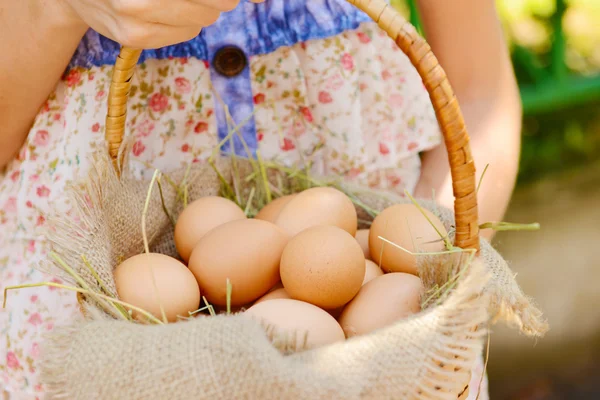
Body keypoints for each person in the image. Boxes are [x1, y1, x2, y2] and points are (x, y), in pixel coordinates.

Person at [0, 0, 521, 398]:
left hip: (389, 363)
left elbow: (480, 95)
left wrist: (424, 280)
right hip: (96, 342)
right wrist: (55, 9)